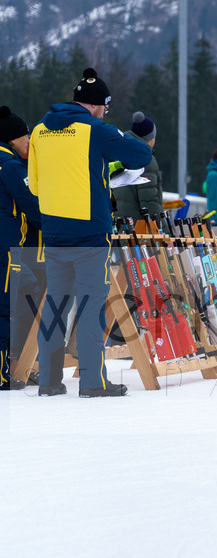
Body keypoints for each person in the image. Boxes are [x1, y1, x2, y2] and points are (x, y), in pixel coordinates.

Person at [29, 67, 152, 397]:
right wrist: (116, 139)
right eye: (106, 106)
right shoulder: (96, 129)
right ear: (97, 105)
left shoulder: (40, 131)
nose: (106, 111)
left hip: (54, 230)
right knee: (89, 306)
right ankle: (93, 382)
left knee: (55, 304)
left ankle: (48, 380)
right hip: (90, 232)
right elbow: (142, 153)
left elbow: (37, 186)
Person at [1, 105, 44, 390]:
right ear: (11, 138)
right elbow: (33, 208)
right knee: (3, 308)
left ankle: (17, 357)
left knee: (27, 287)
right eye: (24, 136)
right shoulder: (11, 167)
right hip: (6, 246)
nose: (29, 141)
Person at [111, 111, 162, 223]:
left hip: (118, 227)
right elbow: (150, 201)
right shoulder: (146, 160)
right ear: (150, 138)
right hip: (140, 230)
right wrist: (163, 232)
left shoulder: (118, 154)